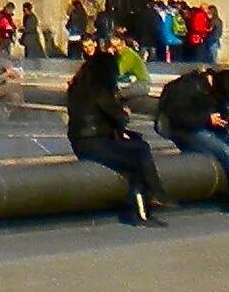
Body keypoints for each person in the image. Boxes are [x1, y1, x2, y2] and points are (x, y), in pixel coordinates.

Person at [66, 40, 169, 226]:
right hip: (95, 143)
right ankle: (152, 198)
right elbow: (118, 117)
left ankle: (150, 200)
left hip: (80, 141)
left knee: (134, 150)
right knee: (140, 151)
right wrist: (124, 114)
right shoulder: (100, 90)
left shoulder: (77, 87)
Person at [157, 63, 229, 214]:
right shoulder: (187, 88)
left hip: (206, 128)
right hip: (182, 131)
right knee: (226, 152)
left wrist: (225, 120)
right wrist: (206, 119)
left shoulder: (218, 89)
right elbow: (178, 117)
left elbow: (219, 111)